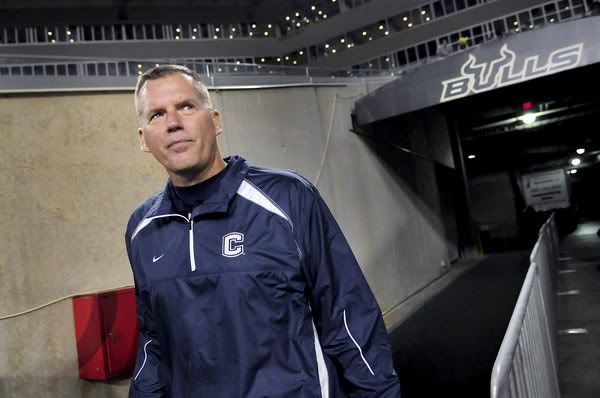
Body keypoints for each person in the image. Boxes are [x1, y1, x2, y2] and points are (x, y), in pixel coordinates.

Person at [126, 64, 401, 397]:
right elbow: (153, 345)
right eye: (157, 114)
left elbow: (349, 318)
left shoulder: (288, 198)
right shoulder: (142, 229)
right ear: (144, 139)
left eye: (186, 106)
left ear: (215, 120)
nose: (173, 123)